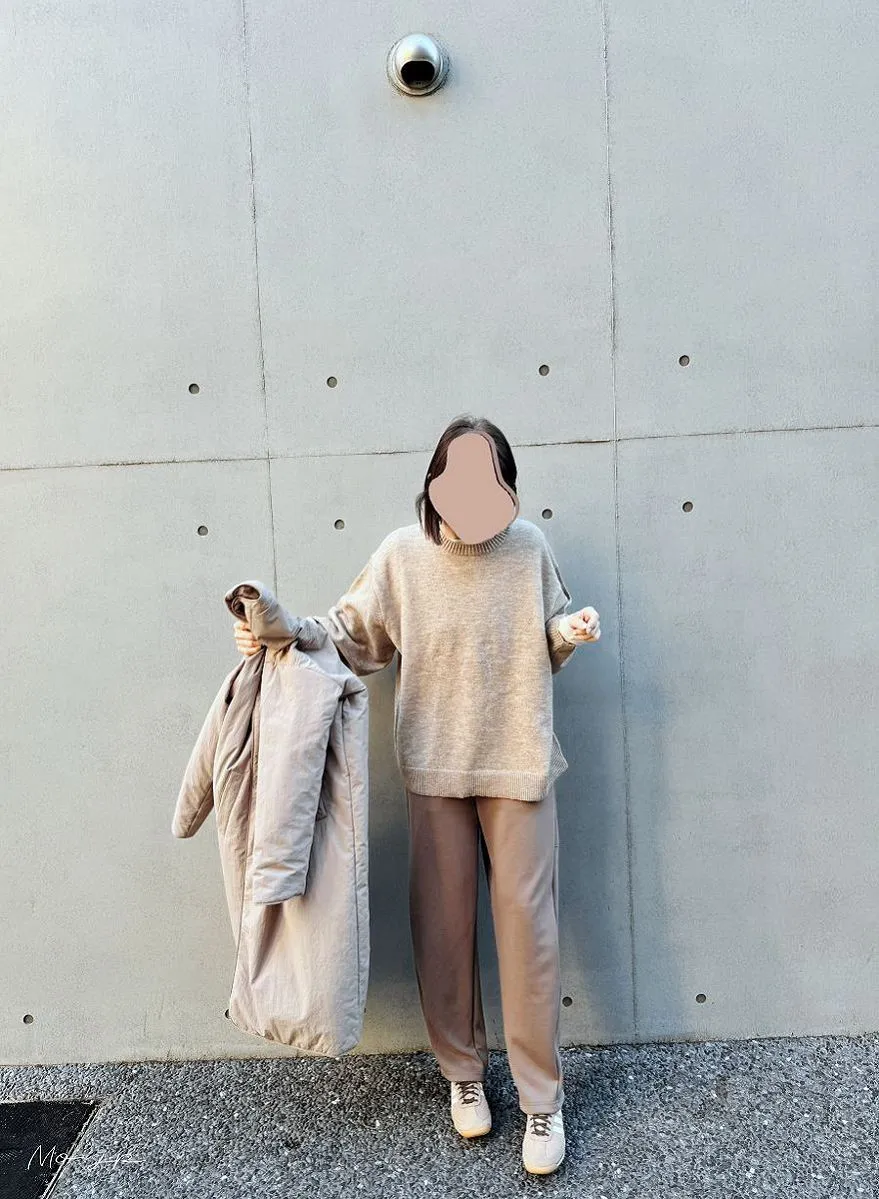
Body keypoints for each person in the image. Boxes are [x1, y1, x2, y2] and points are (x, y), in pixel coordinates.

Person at [233, 415, 600, 1176]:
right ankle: (463, 1073)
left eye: (489, 479)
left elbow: (540, 640)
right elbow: (346, 636)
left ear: (506, 485)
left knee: (529, 934)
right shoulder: (403, 555)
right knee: (442, 928)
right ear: (434, 483)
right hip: (434, 767)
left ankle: (542, 1100)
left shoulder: (528, 547)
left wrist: (566, 633)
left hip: (518, 762)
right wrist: (275, 631)